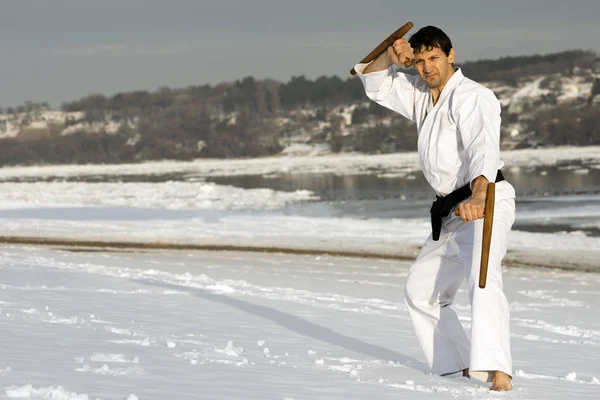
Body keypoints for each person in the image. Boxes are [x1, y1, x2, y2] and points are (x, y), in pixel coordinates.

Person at [353, 26, 515, 391]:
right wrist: (389, 57)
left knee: (482, 275)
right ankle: (456, 366)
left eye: (434, 58)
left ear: (451, 55)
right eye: (421, 60)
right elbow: (377, 82)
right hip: (452, 211)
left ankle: (498, 372)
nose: (427, 67)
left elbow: (482, 148)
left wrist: (479, 194)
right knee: (421, 289)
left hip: (485, 198)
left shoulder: (473, 96)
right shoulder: (421, 95)